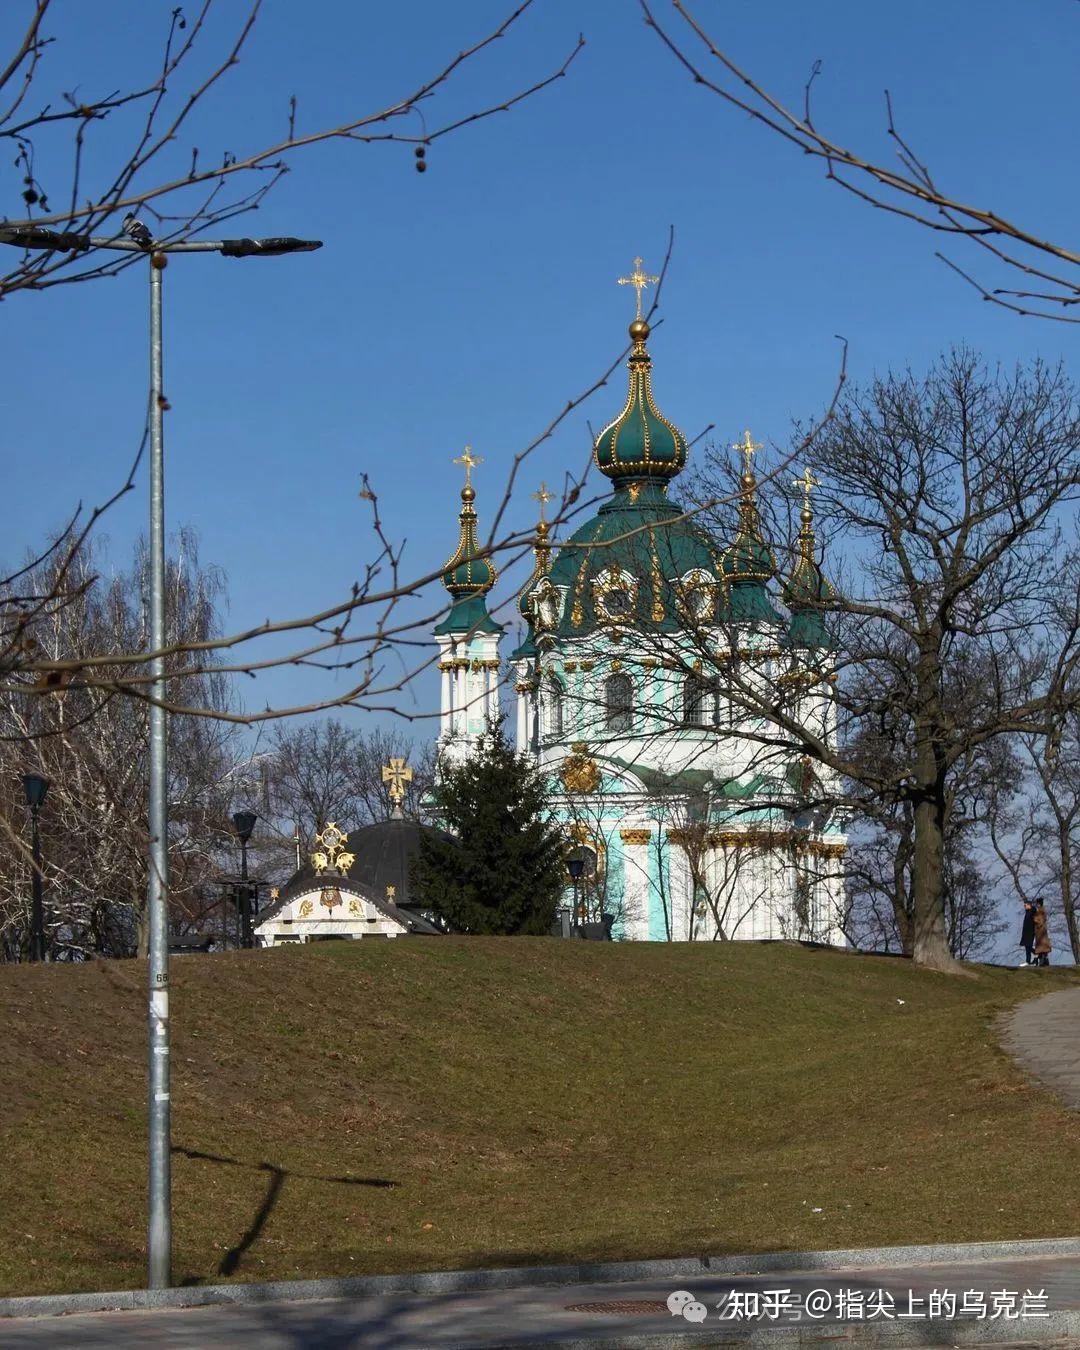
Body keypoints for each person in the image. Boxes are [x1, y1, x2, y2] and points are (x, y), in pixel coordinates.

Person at [1032, 898, 1052, 967]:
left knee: (1042, 947)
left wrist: (1035, 920)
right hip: (1040, 932)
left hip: (1040, 931)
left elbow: (1040, 920)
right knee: (1042, 948)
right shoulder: (1041, 911)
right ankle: (1043, 960)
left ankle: (1043, 961)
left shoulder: (1040, 911)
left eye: (1037, 903)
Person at [1020, 900, 1036, 966]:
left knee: (1028, 946)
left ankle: (1035, 955)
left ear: (1029, 905)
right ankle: (1028, 960)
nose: (1024, 906)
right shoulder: (1027, 913)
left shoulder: (1032, 912)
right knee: (1027, 946)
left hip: (1030, 932)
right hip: (1026, 932)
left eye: (1025, 905)